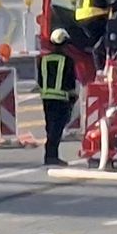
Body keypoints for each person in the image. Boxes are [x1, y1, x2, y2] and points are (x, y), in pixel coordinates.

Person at [38, 27, 80, 166]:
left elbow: (40, 79)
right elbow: (70, 82)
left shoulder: (43, 60)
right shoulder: (67, 60)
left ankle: (50, 155)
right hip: (61, 99)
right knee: (57, 129)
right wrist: (73, 98)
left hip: (46, 99)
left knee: (50, 128)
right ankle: (51, 156)